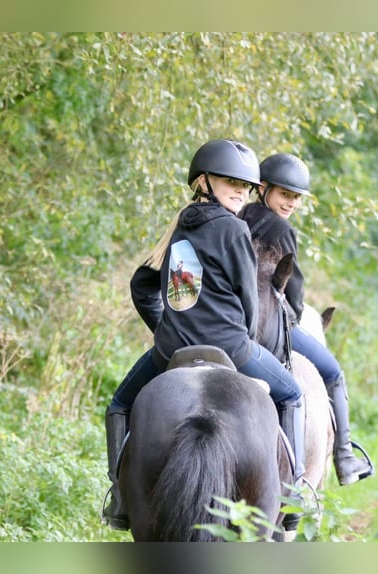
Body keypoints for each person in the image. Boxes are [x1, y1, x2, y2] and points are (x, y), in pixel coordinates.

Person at [103, 139, 307, 532]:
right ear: (203, 180)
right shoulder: (234, 228)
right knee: (293, 395)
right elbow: (249, 299)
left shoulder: (179, 224)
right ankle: (293, 494)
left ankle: (121, 499)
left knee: (119, 404)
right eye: (230, 181)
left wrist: (166, 327)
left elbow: (141, 284)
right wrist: (242, 338)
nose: (239, 190)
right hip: (231, 346)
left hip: (170, 350)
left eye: (245, 186)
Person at [238, 152, 374, 487]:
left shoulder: (236, 216)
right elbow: (294, 296)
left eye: (296, 197)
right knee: (333, 373)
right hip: (269, 324)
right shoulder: (281, 229)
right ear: (263, 188)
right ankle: (344, 457)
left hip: (233, 318)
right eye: (285, 194)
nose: (291, 203)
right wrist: (294, 315)